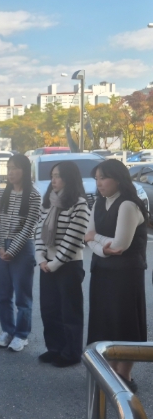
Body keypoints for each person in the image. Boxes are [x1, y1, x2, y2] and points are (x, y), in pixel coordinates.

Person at [85, 159, 148, 392]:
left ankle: (125, 375)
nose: (99, 183)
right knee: (105, 322)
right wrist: (102, 247)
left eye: (103, 178)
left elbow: (120, 245)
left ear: (118, 179)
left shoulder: (128, 205)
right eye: (96, 179)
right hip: (102, 271)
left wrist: (95, 239)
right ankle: (110, 372)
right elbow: (87, 237)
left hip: (125, 275)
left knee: (124, 322)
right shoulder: (99, 203)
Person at [34, 161, 90, 367]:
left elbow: (73, 238)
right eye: (52, 175)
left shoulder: (79, 204)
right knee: (49, 309)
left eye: (57, 175)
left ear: (69, 177)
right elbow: (39, 231)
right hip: (47, 264)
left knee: (69, 311)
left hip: (69, 265)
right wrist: (41, 258)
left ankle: (71, 353)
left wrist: (55, 263)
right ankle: (54, 348)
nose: (53, 180)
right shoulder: (48, 202)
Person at [0, 154, 41, 352]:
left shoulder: (33, 196)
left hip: (22, 248)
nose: (11, 172)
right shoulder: (1, 194)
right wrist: (0, 248)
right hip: (1, 247)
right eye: (9, 168)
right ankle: (7, 330)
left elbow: (29, 227)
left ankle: (21, 335)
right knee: (3, 294)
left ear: (25, 171)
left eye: (15, 168)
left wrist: (12, 250)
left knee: (22, 296)